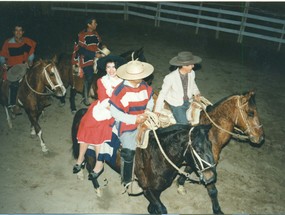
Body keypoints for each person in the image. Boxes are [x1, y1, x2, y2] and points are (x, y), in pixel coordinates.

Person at [73, 58, 123, 180]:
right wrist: (109, 105)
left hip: (117, 110)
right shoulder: (102, 80)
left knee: (100, 128)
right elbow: (102, 96)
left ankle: (99, 163)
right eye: (108, 67)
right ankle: (80, 157)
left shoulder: (123, 82)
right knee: (85, 123)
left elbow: (123, 99)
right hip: (103, 106)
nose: (111, 70)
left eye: (113, 67)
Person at [109, 60, 154, 194]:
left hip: (143, 119)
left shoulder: (144, 85)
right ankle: (127, 180)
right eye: (140, 76)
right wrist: (134, 119)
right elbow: (115, 112)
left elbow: (150, 100)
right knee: (129, 149)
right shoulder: (120, 91)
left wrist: (147, 111)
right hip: (127, 122)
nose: (143, 78)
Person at [154, 51, 202, 124]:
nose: (193, 66)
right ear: (184, 65)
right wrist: (157, 110)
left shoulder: (192, 73)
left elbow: (193, 84)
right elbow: (162, 93)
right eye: (191, 64)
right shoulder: (170, 77)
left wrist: (196, 92)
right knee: (184, 124)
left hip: (188, 101)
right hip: (176, 104)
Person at [0, 23, 36, 114]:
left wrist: (30, 60)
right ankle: (13, 105)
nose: (18, 32)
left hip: (25, 65)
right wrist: (3, 63)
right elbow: (2, 56)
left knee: (37, 76)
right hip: (13, 67)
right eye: (16, 30)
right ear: (13, 32)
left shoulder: (27, 41)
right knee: (14, 83)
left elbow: (31, 54)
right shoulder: (8, 43)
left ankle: (42, 98)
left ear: (23, 32)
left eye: (20, 30)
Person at [72, 17, 108, 106]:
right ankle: (86, 97)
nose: (96, 24)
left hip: (97, 56)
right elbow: (80, 50)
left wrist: (103, 47)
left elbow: (99, 44)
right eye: (94, 23)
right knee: (89, 75)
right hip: (86, 59)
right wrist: (94, 55)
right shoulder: (82, 35)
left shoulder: (95, 33)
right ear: (89, 24)